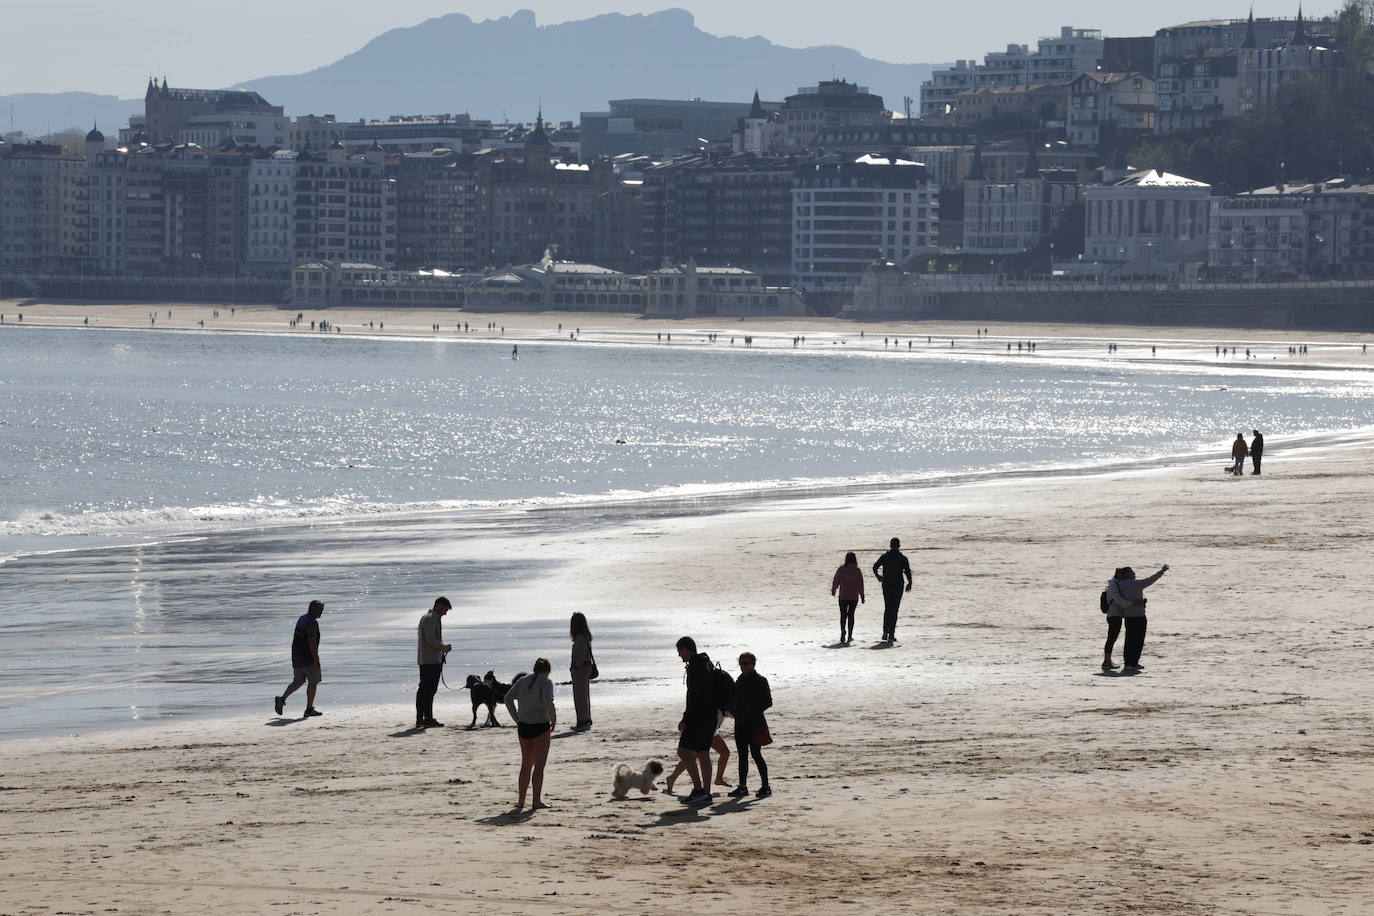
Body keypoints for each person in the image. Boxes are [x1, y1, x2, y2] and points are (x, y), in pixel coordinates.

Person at [504, 658, 557, 810]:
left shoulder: (522, 680)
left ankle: (521, 801)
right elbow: (548, 701)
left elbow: (507, 698)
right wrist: (553, 719)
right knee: (539, 766)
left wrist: (517, 718)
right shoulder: (546, 682)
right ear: (547, 670)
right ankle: (536, 801)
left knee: (526, 765)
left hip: (524, 727)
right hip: (540, 726)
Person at [674, 636, 717, 805]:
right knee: (703, 753)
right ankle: (705, 793)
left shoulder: (695, 666)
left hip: (699, 717)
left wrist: (685, 719)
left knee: (684, 751)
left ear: (687, 649)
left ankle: (699, 789)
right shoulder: (705, 663)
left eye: (680, 651)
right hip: (710, 715)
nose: (679, 655)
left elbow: (694, 696)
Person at [1107, 565, 1169, 672]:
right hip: (1139, 616)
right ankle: (1134, 663)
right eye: (1132, 572)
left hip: (1128, 617)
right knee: (1138, 641)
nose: (1134, 574)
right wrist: (1161, 572)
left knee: (1129, 641)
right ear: (1127, 575)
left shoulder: (1119, 584)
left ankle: (1128, 664)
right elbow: (1150, 580)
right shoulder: (1135, 584)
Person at [728, 652, 773, 799]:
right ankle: (742, 787)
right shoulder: (739, 680)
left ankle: (765, 786)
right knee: (742, 756)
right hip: (740, 723)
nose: (743, 666)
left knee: (756, 754)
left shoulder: (761, 680)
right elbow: (733, 700)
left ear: (753, 664)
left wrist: (751, 711)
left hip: (755, 723)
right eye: (741, 663)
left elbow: (768, 702)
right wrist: (733, 711)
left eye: (746, 663)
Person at [275, 600, 324, 717]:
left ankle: (282, 699)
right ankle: (309, 709)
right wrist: (316, 660)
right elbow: (311, 642)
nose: (322, 612)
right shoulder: (312, 623)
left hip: (296, 655)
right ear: (312, 608)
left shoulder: (302, 618)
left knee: (298, 681)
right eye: (320, 609)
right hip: (308, 658)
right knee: (313, 682)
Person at [415, 597, 452, 728]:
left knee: (426, 690)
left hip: (429, 659)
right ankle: (426, 718)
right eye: (445, 610)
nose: (445, 613)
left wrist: (441, 653)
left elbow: (431, 640)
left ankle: (423, 718)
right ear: (440, 606)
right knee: (428, 690)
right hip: (429, 661)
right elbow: (430, 640)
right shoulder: (430, 618)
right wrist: (444, 648)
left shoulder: (430, 617)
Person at [872, 538, 913, 643]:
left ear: (890, 545)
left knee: (887, 608)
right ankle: (891, 634)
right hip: (898, 585)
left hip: (887, 585)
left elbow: (875, 567)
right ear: (899, 546)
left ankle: (885, 632)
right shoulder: (902, 558)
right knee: (894, 610)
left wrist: (878, 576)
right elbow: (907, 571)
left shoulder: (885, 557)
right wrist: (909, 583)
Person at [830, 551, 865, 644]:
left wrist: (834, 589)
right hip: (854, 596)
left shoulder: (841, 569)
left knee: (843, 615)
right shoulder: (857, 570)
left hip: (843, 596)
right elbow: (860, 584)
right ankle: (849, 635)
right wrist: (862, 595)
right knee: (851, 616)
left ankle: (842, 633)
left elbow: (836, 580)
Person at [569, 612, 594, 731]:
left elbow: (580, 655)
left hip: (581, 669)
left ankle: (583, 722)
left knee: (580, 696)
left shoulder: (580, 638)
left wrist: (575, 667)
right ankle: (586, 720)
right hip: (586, 668)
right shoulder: (586, 636)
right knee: (584, 695)